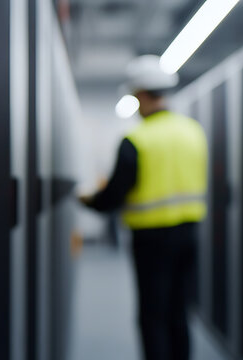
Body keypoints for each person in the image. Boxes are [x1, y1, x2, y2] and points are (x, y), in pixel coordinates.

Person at [79, 55, 207, 360]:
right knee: (179, 311)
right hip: (189, 233)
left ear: (140, 94)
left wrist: (89, 200)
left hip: (151, 239)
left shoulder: (137, 139)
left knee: (153, 315)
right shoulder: (193, 131)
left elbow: (114, 195)